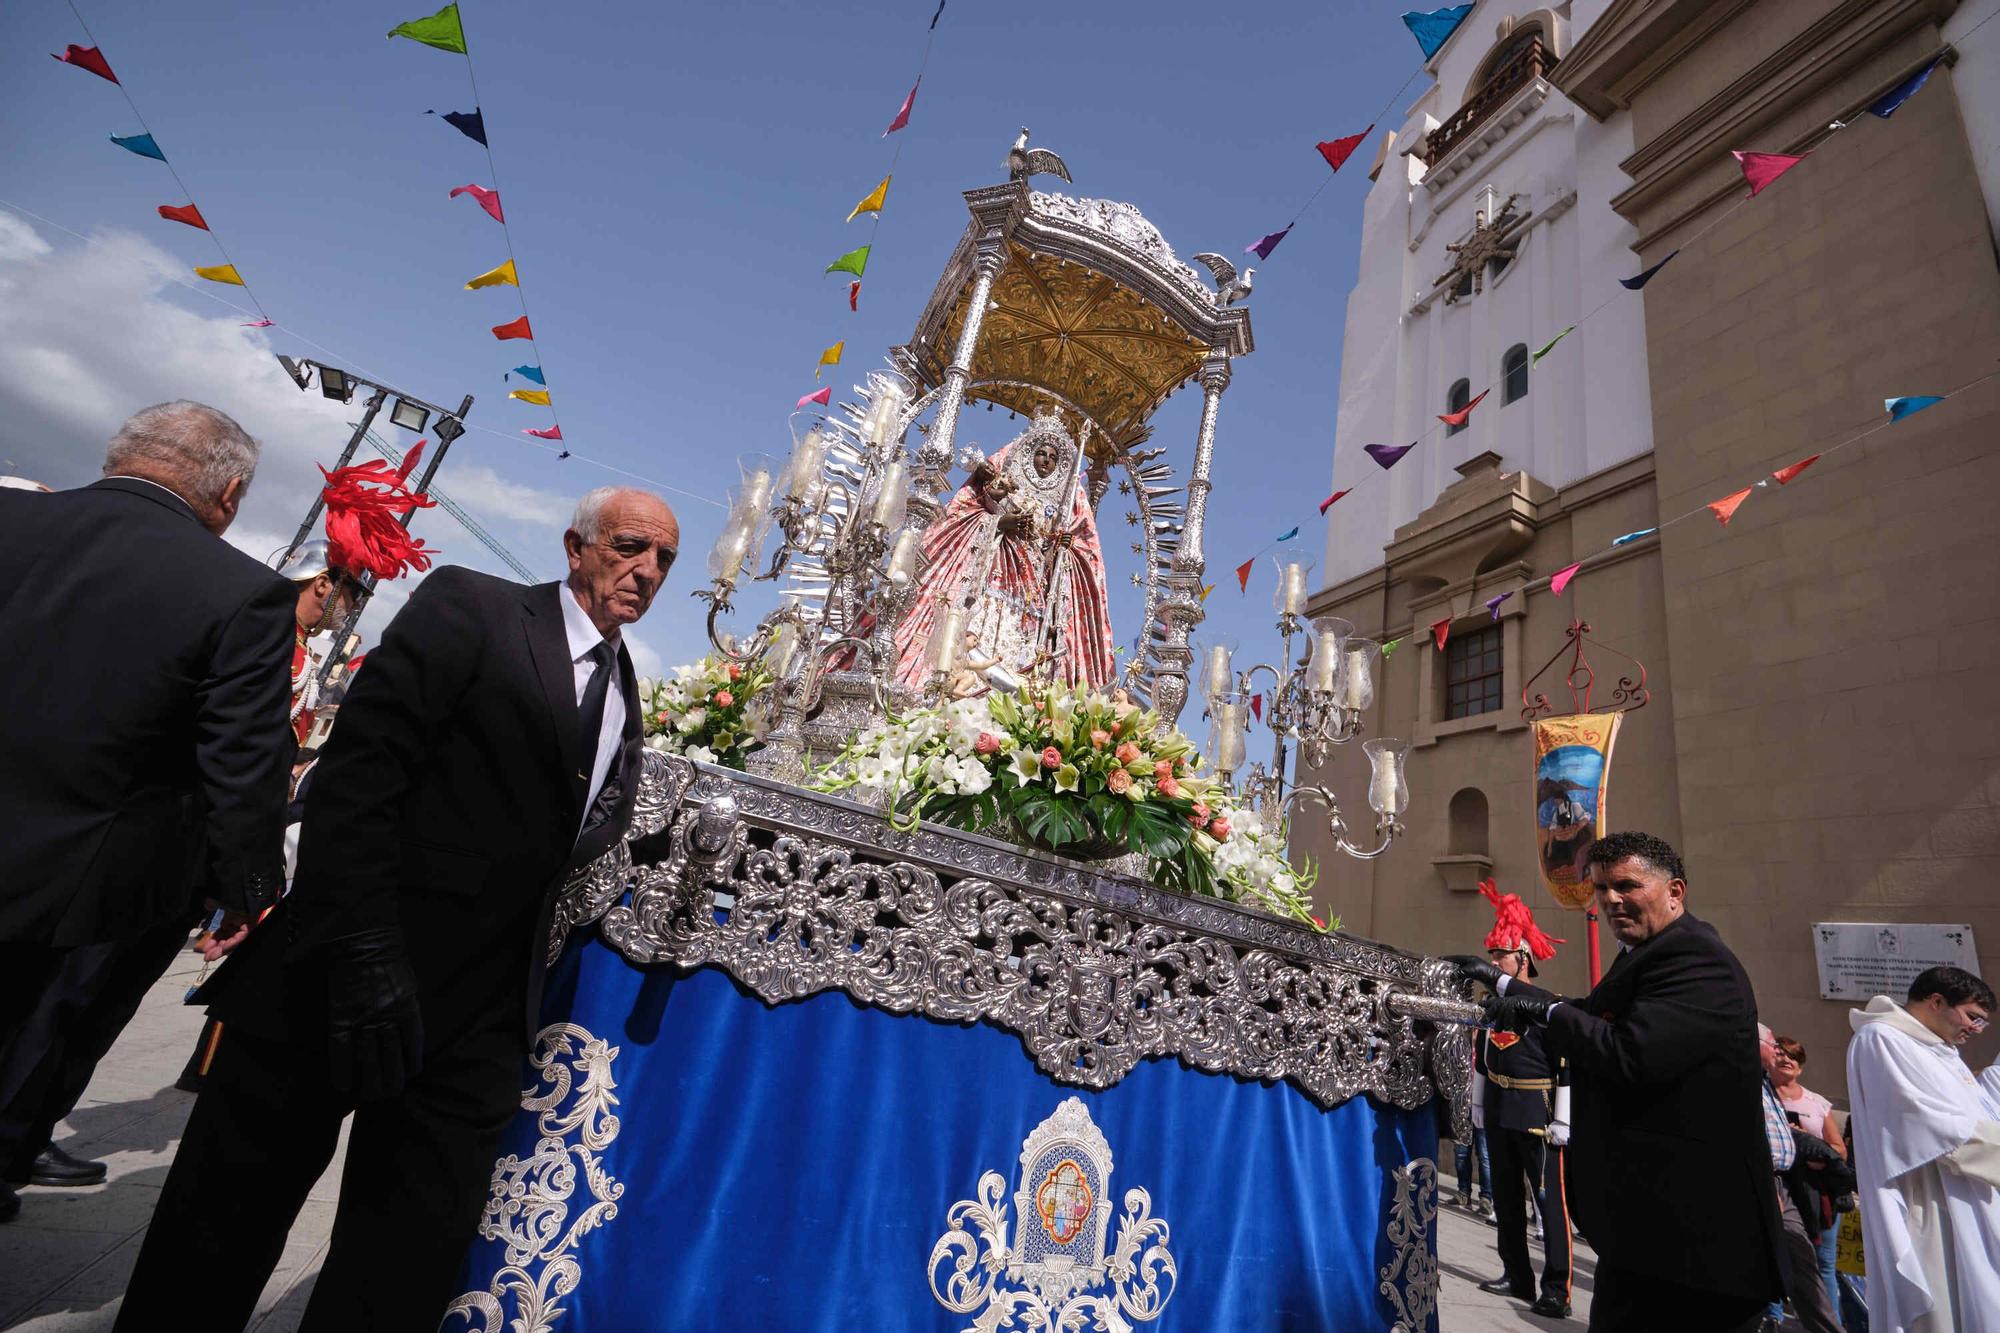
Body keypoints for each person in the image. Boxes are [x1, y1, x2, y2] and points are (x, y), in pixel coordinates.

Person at [118, 486, 679, 1330]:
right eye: (631, 545)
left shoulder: (624, 687)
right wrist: (368, 955)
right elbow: (357, 783)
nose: (648, 570)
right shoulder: (474, 607)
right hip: (334, 982)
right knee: (215, 1238)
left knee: (401, 1269)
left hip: (472, 1030)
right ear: (576, 546)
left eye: (664, 558)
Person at [0, 401, 293, 1225]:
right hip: (53, 894)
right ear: (229, 491)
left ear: (118, 452)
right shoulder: (241, 593)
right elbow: (240, 762)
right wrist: (247, 890)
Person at [1463, 830, 1785, 1332]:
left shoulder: (1699, 960)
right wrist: (1503, 984)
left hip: (1696, 1239)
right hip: (1645, 1228)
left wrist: (1542, 1006)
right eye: (1601, 889)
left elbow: (1628, 1052)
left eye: (1628, 886)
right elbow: (1592, 1014)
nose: (1611, 899)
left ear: (1674, 892)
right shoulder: (1645, 955)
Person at [893, 412, 1113, 690]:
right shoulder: (1007, 481)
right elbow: (976, 514)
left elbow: (1060, 548)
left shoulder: (1063, 504)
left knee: (1023, 639)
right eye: (1041, 453)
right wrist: (1001, 523)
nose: (1046, 460)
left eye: (1053, 457)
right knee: (982, 626)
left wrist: (1062, 548)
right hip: (994, 575)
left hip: (1033, 588)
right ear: (1029, 453)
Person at [1844, 965, 2000, 1332]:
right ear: (1936, 1001)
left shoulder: (1940, 1050)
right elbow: (1934, 1128)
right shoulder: (1883, 1040)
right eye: (1973, 1018)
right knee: (1945, 1304)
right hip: (1930, 1200)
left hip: (1971, 1192)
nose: (1975, 1030)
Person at [1454, 879, 1574, 1318]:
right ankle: (1516, 1273)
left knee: (1547, 1202)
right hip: (1502, 1109)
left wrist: (1563, 1117)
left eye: (1501, 955)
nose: (1493, 963)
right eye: (1492, 956)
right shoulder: (1491, 1006)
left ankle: (1557, 1287)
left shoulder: (1546, 1005)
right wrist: (1480, 1104)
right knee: (1506, 1198)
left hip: (1538, 1113)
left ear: (1522, 958)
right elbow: (1483, 1057)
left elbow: (1565, 1063)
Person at [1757, 1023, 1847, 1333]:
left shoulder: (1816, 1102)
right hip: (1772, 1181)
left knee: (1815, 1263)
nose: (1781, 1056)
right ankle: (1771, 1318)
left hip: (1809, 1188)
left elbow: (1838, 1149)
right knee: (1774, 1258)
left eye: (1790, 1055)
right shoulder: (1755, 1086)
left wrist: (1817, 1154)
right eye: (1776, 1048)